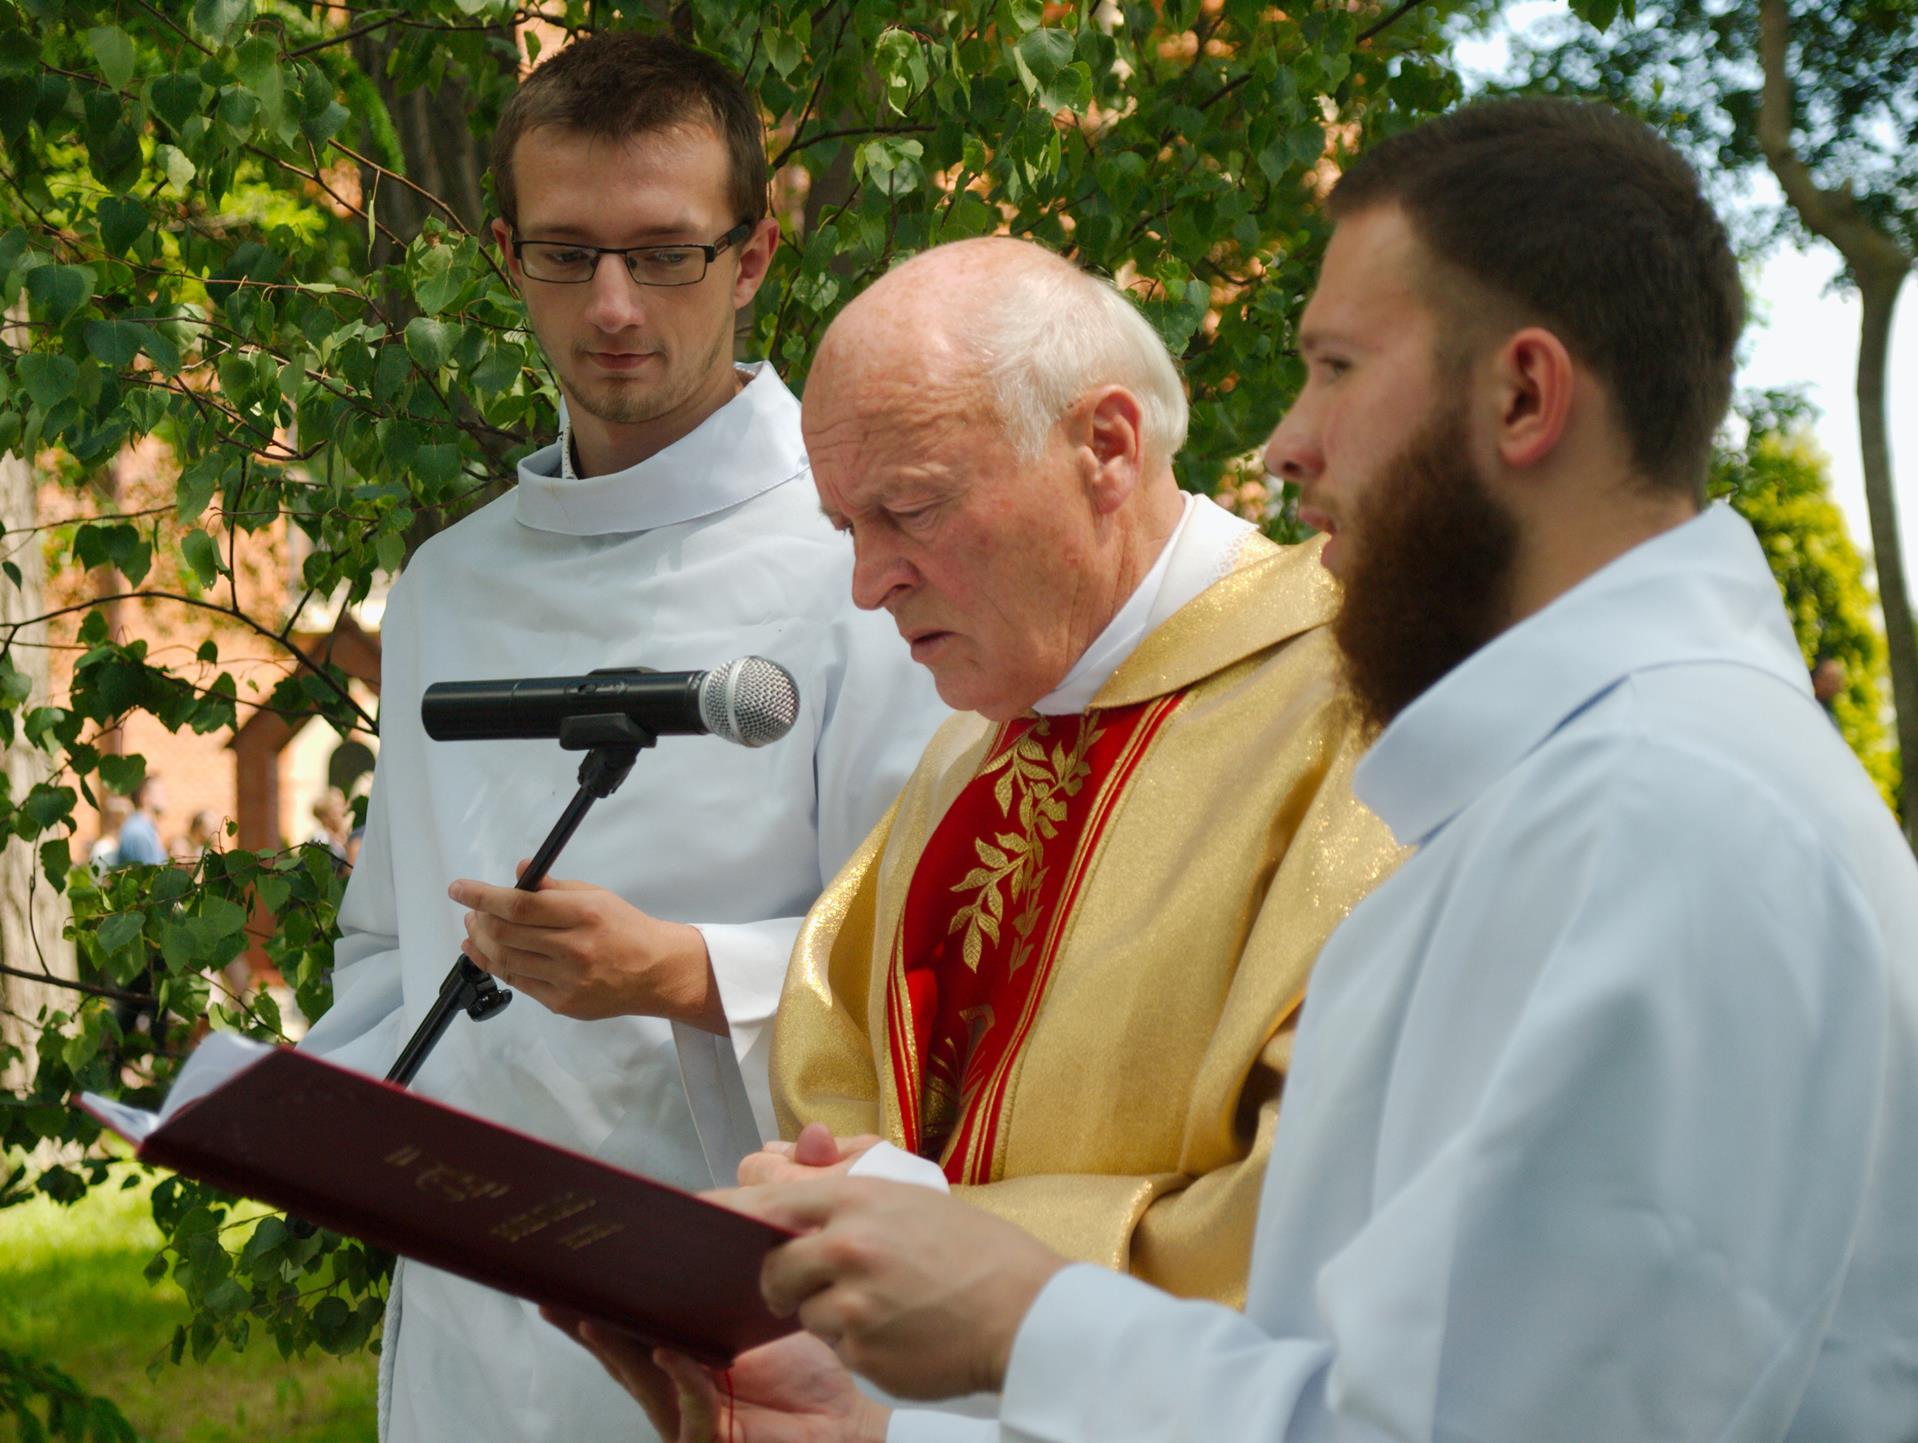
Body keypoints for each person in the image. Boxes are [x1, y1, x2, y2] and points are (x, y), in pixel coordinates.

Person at [568, 99, 1918, 1442]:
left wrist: (1007, 1322)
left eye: (1334, 367)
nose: (1283, 443)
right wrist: (889, 1419)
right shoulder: (1604, 784)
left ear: (1521, 395)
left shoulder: (1657, 820)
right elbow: (1386, 1386)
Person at [297, 31, 944, 1443]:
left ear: (752, 257)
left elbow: (933, 961)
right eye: (565, 253)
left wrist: (687, 972)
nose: (610, 305)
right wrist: (304, 1123)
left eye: (663, 255)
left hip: (744, 1317)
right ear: (504, 253)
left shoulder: (861, 560)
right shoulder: (447, 586)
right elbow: (390, 950)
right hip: (471, 1323)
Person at [750, 235, 1398, 1326]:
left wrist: (945, 1247)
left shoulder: (1357, 700)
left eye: (910, 509)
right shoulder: (974, 744)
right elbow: (837, 1060)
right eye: (848, 526)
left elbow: (1335, 1190)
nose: (869, 583)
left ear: (1106, 447)